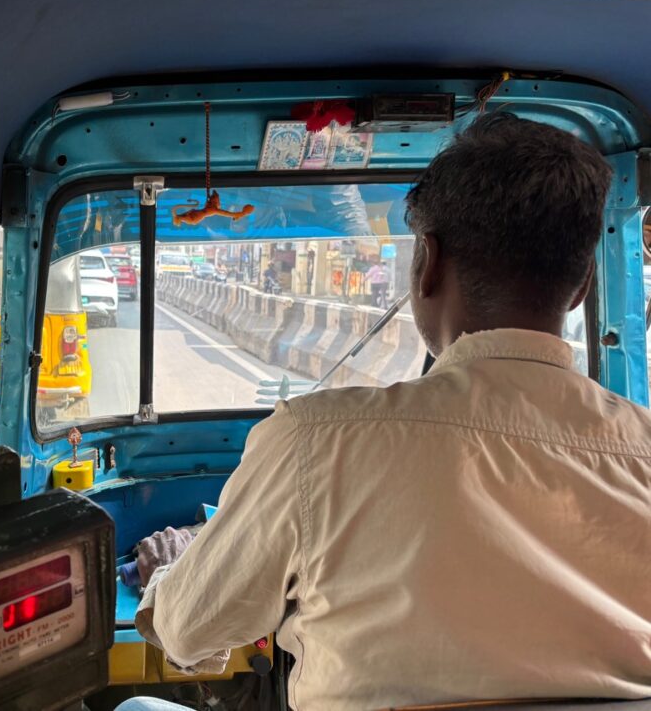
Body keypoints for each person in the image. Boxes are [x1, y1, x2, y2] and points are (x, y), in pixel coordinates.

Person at [119, 114, 651, 710]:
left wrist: (171, 572)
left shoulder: (316, 441)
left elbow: (189, 631)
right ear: (580, 287)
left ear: (427, 263)